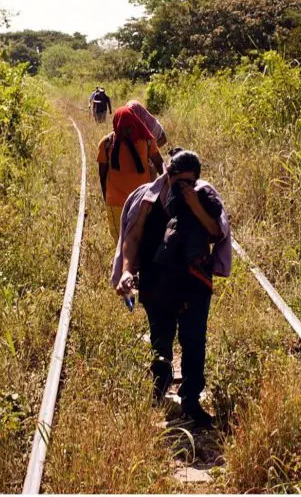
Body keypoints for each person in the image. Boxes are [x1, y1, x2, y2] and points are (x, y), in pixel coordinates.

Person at [110, 149, 231, 427]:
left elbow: (216, 232)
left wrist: (195, 205)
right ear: (168, 175)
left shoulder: (204, 197)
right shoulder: (148, 199)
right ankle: (160, 385)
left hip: (194, 281)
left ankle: (191, 401)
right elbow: (133, 235)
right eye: (179, 181)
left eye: (190, 181)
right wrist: (127, 270)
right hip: (157, 282)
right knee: (161, 339)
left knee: (194, 340)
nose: (184, 186)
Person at [97, 104, 164, 240]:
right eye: (123, 128)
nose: (127, 131)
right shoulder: (107, 143)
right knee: (120, 241)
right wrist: (106, 197)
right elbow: (102, 175)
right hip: (116, 203)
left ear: (135, 123)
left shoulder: (147, 141)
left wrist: (164, 189)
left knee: (141, 240)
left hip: (142, 202)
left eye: (130, 127)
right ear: (116, 126)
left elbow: (159, 163)